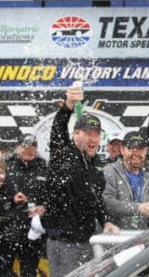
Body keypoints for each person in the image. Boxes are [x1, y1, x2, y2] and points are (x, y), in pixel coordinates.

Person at [42, 82, 119, 276]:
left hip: (85, 240)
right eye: (88, 134)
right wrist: (68, 105)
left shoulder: (95, 163)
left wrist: (105, 220)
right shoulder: (64, 154)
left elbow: (95, 198)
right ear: (75, 134)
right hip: (65, 243)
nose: (93, 139)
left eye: (97, 135)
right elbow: (58, 130)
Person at [102, 130, 149, 229]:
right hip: (115, 239)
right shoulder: (109, 171)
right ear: (122, 150)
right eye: (132, 149)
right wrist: (138, 208)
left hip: (142, 240)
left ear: (146, 151)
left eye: (141, 149)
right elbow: (107, 203)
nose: (136, 153)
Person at [4, 133, 48, 277]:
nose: (30, 150)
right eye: (26, 146)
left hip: (34, 230)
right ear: (17, 147)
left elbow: (53, 195)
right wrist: (11, 199)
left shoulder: (44, 166)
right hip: (9, 227)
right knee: (4, 270)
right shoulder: (6, 165)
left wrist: (44, 207)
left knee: (29, 271)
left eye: (33, 146)